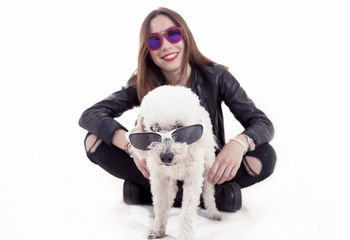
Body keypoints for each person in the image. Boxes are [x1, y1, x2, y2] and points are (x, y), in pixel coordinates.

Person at [78, 7, 277, 212]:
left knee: (265, 156)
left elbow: (262, 123)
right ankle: (209, 197)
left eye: (173, 35)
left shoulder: (216, 76)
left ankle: (153, 194)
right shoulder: (142, 82)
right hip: (158, 167)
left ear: (185, 37)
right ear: (148, 49)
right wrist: (131, 147)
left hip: (203, 169)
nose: (165, 45)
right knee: (93, 141)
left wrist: (239, 143)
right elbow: (91, 115)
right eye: (155, 40)